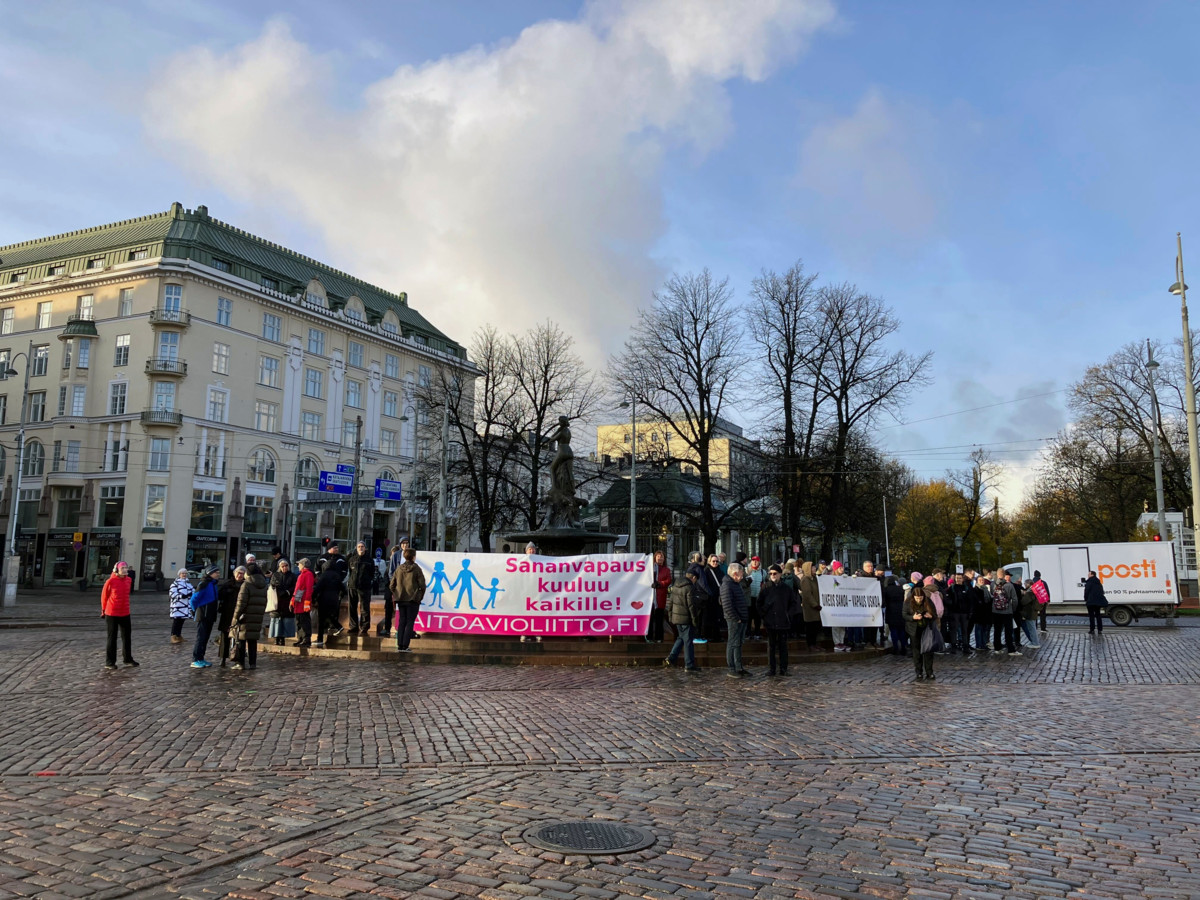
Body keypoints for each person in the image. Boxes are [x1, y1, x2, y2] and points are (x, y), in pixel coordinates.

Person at [759, 564, 799, 676]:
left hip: (783, 621)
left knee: (783, 646)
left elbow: (793, 603)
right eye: (770, 573)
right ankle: (771, 669)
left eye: (775, 573)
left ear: (780, 574)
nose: (772, 575)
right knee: (771, 647)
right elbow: (759, 603)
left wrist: (788, 615)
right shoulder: (765, 587)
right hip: (770, 621)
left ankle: (783, 669)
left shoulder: (786, 588)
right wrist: (764, 614)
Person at [230, 559, 268, 670]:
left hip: (245, 617)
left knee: (241, 640)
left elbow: (241, 603)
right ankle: (252, 663)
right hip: (257, 616)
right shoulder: (264, 585)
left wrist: (235, 617)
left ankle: (240, 663)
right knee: (252, 641)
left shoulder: (246, 584)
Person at [101, 561, 137, 670]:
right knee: (112, 638)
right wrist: (103, 610)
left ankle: (128, 659)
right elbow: (104, 597)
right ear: (117, 570)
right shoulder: (110, 581)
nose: (125, 570)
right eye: (123, 568)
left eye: (126, 568)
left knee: (127, 637)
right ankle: (110, 662)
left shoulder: (129, 580)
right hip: (111, 613)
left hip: (125, 612)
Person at [391, 546, 427, 652]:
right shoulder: (416, 568)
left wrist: (396, 594)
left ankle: (400, 645)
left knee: (402, 621)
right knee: (410, 622)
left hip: (401, 599)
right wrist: (419, 597)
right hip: (413, 600)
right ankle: (405, 645)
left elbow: (392, 584)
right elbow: (422, 585)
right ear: (413, 557)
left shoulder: (399, 569)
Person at [720, 562, 750, 677]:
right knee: (732, 642)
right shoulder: (727, 585)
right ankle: (731, 668)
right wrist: (736, 618)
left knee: (738, 643)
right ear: (735, 574)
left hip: (741, 618)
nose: (742, 577)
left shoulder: (735, 584)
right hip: (734, 619)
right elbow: (727, 605)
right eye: (741, 575)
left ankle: (739, 667)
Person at [664, 572, 699, 671]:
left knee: (681, 638)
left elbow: (671, 602)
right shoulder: (689, 587)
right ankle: (689, 664)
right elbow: (691, 605)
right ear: (693, 578)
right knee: (688, 641)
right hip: (686, 618)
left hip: (677, 618)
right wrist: (694, 620)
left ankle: (671, 658)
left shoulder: (676, 586)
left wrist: (671, 616)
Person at [189, 565, 221, 668]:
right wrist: (196, 611)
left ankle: (201, 658)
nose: (218, 574)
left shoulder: (213, 584)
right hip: (203, 615)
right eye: (216, 572)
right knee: (201, 638)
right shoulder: (204, 584)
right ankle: (195, 659)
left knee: (206, 638)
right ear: (210, 573)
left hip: (210, 615)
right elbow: (194, 599)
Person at [904, 584, 936, 680]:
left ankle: (929, 672)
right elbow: (904, 614)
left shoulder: (928, 601)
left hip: (926, 629)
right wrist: (913, 618)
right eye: (917, 598)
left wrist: (930, 616)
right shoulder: (908, 602)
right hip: (914, 629)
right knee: (916, 651)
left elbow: (934, 614)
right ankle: (919, 671)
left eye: (921, 597)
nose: (919, 600)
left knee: (928, 651)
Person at [216, 566, 245, 667]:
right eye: (238, 573)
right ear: (234, 573)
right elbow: (219, 596)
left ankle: (238, 658)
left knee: (239, 637)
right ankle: (223, 658)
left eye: (242, 573)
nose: (239, 575)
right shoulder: (227, 584)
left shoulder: (245, 585)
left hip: (241, 614)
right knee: (225, 637)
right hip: (227, 614)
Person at [314, 561, 346, 646]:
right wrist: (340, 596)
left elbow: (318, 588)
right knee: (328, 615)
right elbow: (344, 589)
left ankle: (320, 639)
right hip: (334, 600)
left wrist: (313, 597)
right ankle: (338, 626)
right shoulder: (337, 576)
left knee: (321, 619)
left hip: (323, 599)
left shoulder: (324, 576)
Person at [346, 540, 375, 634]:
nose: (360, 548)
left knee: (364, 607)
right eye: (359, 547)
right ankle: (353, 626)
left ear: (365, 548)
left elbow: (372, 573)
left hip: (364, 587)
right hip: (352, 586)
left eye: (362, 546)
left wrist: (367, 581)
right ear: (356, 548)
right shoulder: (352, 559)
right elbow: (350, 572)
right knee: (352, 607)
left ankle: (364, 626)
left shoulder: (369, 560)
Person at [268, 558, 297, 646]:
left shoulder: (292, 576)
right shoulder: (276, 575)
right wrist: (278, 591)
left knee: (285, 620)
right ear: (279, 567)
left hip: (287, 601)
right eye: (282, 566)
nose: (284, 568)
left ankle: (283, 638)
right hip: (277, 601)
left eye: (286, 566)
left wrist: (288, 591)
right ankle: (277, 638)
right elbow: (272, 585)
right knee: (277, 620)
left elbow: (295, 586)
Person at [991, 571, 1019, 655]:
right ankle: (1010, 649)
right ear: (1004, 575)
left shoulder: (993, 585)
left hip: (995, 611)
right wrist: (1013, 609)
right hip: (1007, 611)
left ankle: (997, 648)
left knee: (997, 630)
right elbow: (1015, 600)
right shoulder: (1009, 585)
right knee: (1008, 631)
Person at [381, 540, 405, 638]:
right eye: (392, 555)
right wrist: (390, 585)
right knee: (388, 609)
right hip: (390, 590)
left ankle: (399, 628)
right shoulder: (388, 567)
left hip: (399, 589)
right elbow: (386, 577)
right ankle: (387, 628)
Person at [798, 561, 823, 652]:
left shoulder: (814, 579)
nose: (814, 569)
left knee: (816, 626)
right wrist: (815, 605)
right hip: (810, 608)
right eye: (812, 567)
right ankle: (810, 644)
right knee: (810, 626)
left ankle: (815, 643)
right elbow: (807, 594)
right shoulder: (805, 579)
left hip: (816, 607)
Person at [649, 549, 671, 643]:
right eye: (658, 556)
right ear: (655, 558)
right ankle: (649, 637)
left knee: (659, 619)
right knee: (649, 619)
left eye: (662, 557)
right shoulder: (650, 567)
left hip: (660, 597)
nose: (660, 558)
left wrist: (660, 584)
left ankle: (659, 637)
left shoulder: (666, 570)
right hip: (650, 597)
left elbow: (668, 580)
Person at [292, 558, 315, 647]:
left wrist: (307, 602)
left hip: (303, 602)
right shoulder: (302, 574)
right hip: (298, 601)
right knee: (299, 621)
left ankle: (306, 639)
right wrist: (293, 600)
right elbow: (297, 589)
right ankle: (300, 638)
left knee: (304, 621)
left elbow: (309, 589)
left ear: (303, 565)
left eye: (299, 564)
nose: (298, 566)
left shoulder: (308, 574)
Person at [883, 575, 907, 656]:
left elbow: (884, 602)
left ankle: (896, 647)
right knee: (902, 631)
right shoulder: (900, 589)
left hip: (891, 611)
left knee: (893, 631)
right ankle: (904, 647)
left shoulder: (886, 590)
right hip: (901, 611)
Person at [168, 568, 194, 644]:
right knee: (176, 621)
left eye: (185, 573)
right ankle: (173, 636)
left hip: (185, 606)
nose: (184, 575)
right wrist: (182, 596)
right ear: (179, 574)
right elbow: (172, 594)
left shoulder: (188, 583)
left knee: (181, 621)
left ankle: (178, 635)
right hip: (178, 606)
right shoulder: (175, 584)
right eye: (183, 573)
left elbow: (193, 591)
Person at [745, 556, 765, 640]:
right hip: (749, 597)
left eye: (756, 561)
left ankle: (757, 632)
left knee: (757, 616)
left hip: (758, 597)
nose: (754, 562)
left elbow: (764, 581)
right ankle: (748, 633)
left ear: (759, 562)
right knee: (749, 616)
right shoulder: (747, 571)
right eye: (753, 560)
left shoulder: (763, 572)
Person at [1019, 579, 1041, 648]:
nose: (1024, 585)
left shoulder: (1030, 592)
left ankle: (1035, 643)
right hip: (1033, 612)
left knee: (1032, 628)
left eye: (1025, 584)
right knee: (1033, 627)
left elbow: (1023, 602)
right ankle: (1035, 642)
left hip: (1029, 613)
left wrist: (1023, 594)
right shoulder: (1035, 590)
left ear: (1028, 584)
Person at [1084, 569, 1106, 634]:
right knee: (1098, 615)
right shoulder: (1098, 582)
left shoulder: (1089, 582)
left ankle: (1092, 629)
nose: (1088, 575)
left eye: (1089, 574)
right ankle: (1100, 629)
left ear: (1092, 575)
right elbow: (1102, 591)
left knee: (1091, 616)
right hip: (1098, 601)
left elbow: (1086, 591)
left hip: (1090, 601)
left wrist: (1086, 599)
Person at [1030, 569, 1051, 634]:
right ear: (1040, 575)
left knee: (1034, 615)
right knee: (1043, 614)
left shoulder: (1032, 583)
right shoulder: (1043, 582)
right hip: (1042, 601)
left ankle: (1034, 628)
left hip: (1034, 601)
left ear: (1034, 575)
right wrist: (1048, 600)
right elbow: (1047, 591)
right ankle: (1043, 628)